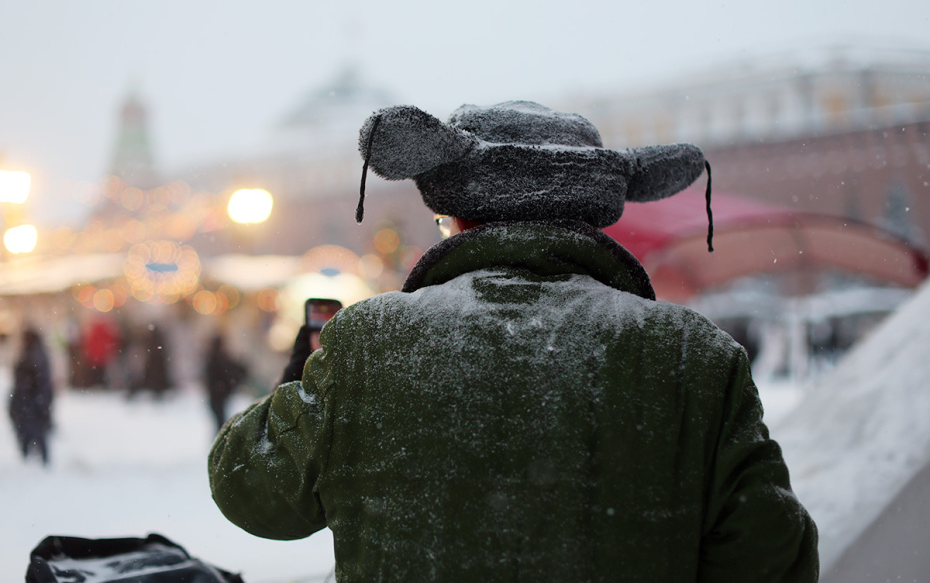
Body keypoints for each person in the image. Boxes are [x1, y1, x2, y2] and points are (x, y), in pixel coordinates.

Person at [209, 101, 819, 581]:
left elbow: (249, 490)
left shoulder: (371, 343)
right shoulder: (696, 358)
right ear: (593, 216)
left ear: (459, 219)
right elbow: (771, 557)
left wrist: (302, 381)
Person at [8, 327, 54, 466]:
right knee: (35, 428)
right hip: (33, 400)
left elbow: (33, 379)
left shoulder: (33, 355)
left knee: (32, 428)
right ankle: (36, 456)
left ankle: (34, 457)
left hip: (30, 400)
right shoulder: (36, 353)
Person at [203, 334, 248, 433]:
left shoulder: (214, 358)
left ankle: (221, 439)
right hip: (220, 393)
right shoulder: (221, 358)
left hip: (217, 394)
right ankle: (222, 438)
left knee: (220, 420)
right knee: (221, 419)